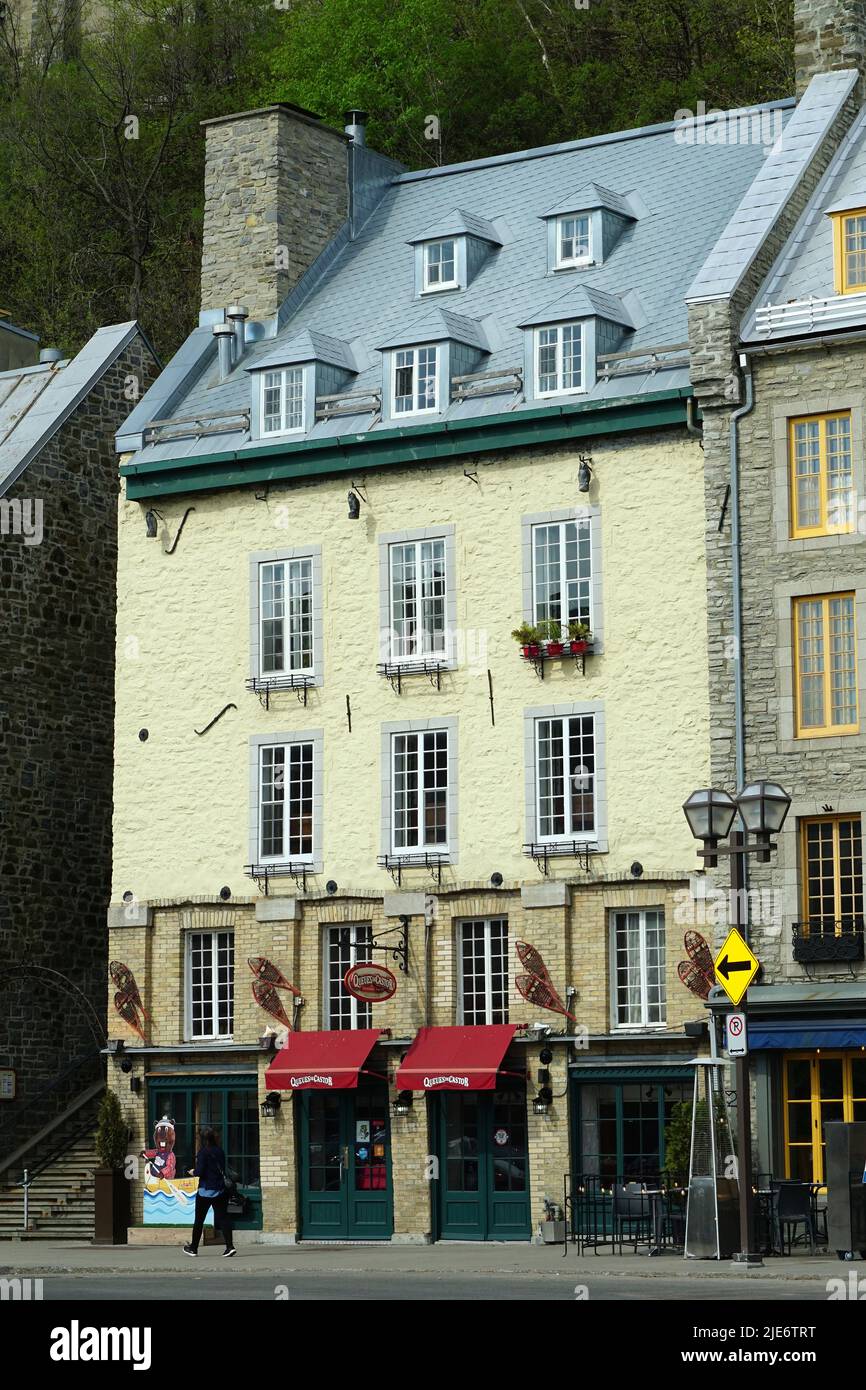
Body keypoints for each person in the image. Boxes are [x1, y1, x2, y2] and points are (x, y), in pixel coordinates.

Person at [182, 1127, 236, 1257]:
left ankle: (193, 1248)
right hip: (220, 1189)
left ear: (201, 1139)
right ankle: (230, 1247)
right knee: (223, 1219)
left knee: (199, 1220)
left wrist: (192, 1172)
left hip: (205, 1190)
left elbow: (200, 1172)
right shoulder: (219, 1151)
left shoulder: (202, 1152)